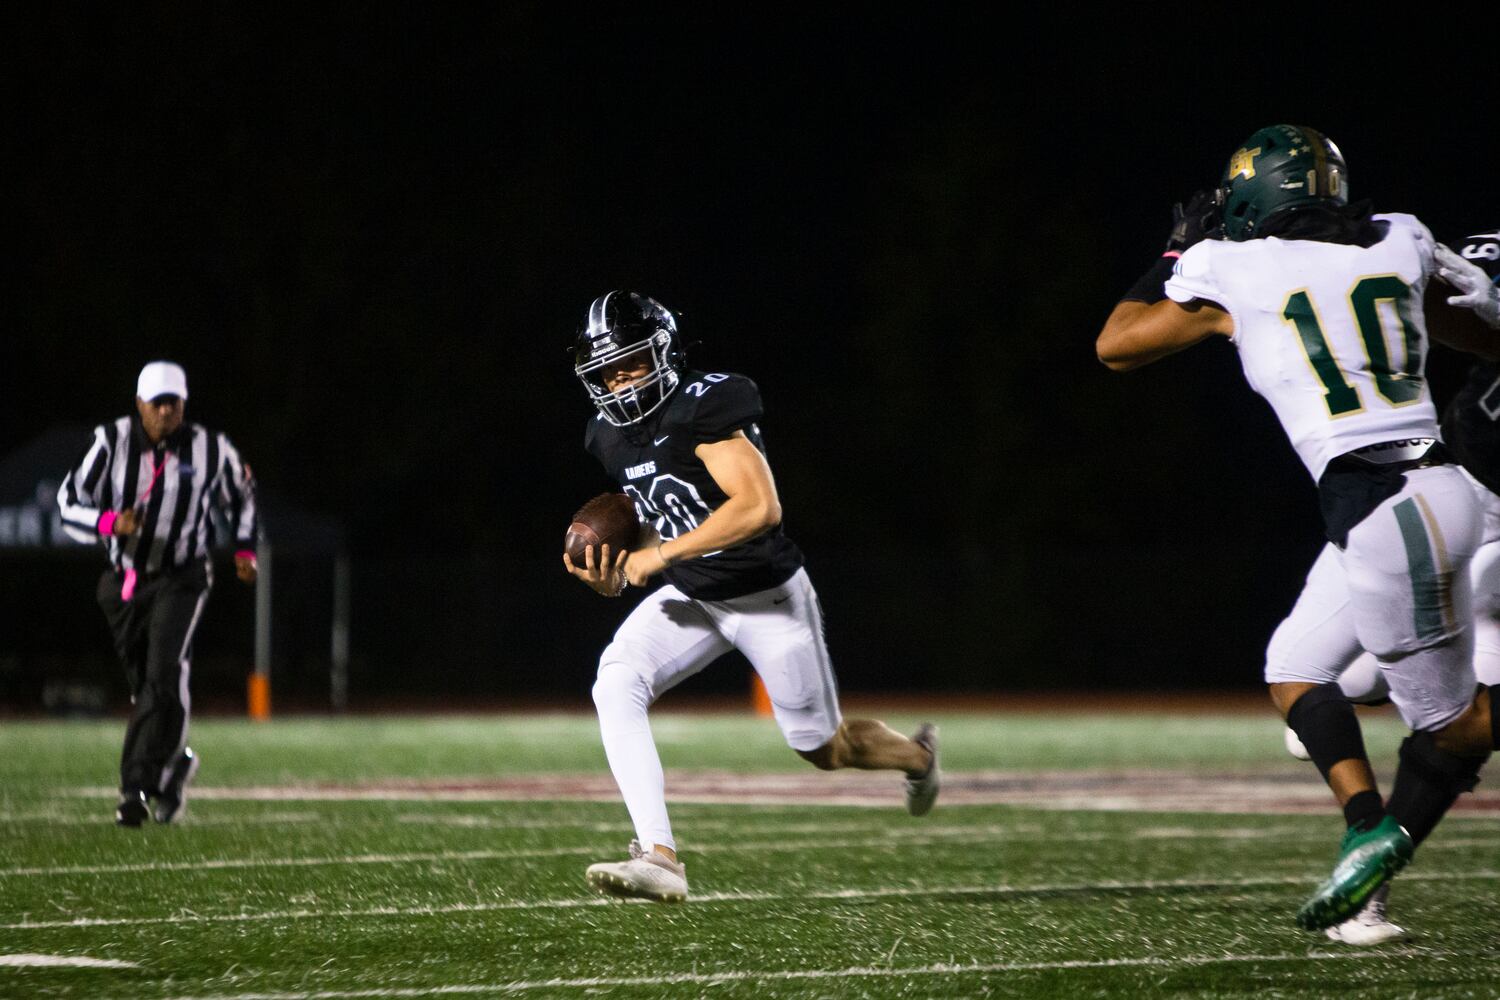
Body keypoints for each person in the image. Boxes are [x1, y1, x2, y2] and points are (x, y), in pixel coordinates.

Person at [1096, 126, 1500, 933]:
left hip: (1385, 506)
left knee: (1456, 730)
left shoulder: (1231, 267)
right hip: (1437, 484)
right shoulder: (1401, 238)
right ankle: (1365, 831)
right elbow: (1476, 335)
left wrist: (1177, 251)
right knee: (1295, 669)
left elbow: (1116, 345)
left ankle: (1376, 846)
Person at [563, 291, 939, 902]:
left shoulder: (703, 405)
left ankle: (917, 758)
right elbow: (665, 509)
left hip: (766, 600)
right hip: (696, 597)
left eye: (631, 363)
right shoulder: (608, 435)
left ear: (664, 353)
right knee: (616, 682)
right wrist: (619, 567)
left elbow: (759, 507)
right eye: (607, 371)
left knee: (824, 749)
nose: (620, 381)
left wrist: (659, 557)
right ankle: (659, 855)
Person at [1280, 230, 1500, 942]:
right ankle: (1351, 703)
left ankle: (1364, 894)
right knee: (1319, 672)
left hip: (1458, 521)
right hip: (1443, 499)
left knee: (1455, 730)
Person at [58, 361, 259, 826]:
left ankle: (135, 788)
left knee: (162, 674)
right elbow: (68, 502)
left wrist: (245, 549)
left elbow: (242, 495)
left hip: (182, 576)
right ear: (139, 404)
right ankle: (175, 764)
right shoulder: (110, 441)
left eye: (174, 402)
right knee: (146, 689)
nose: (166, 411)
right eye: (157, 402)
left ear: (184, 404)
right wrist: (110, 522)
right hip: (124, 580)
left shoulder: (210, 447)